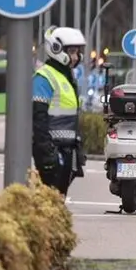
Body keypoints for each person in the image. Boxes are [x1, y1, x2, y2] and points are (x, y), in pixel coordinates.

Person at [33, 27, 86, 194]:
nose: (76, 57)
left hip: (66, 149)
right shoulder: (44, 77)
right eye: (71, 51)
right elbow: (38, 118)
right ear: (56, 49)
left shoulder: (67, 77)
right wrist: (47, 152)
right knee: (49, 200)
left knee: (58, 199)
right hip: (52, 151)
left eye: (77, 52)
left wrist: (77, 145)